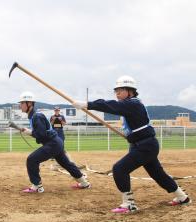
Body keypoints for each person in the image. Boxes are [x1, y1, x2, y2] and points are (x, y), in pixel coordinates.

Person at [72, 75, 191, 213]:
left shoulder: (132, 104)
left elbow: (110, 105)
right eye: (116, 90)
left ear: (130, 91)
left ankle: (129, 204)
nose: (117, 93)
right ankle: (182, 197)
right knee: (158, 174)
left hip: (145, 146)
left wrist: (88, 104)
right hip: (142, 145)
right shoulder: (129, 105)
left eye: (120, 90)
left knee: (119, 169)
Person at [19, 91, 90, 193]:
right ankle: (84, 183)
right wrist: (30, 132)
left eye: (22, 103)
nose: (20, 106)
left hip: (52, 144)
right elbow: (41, 133)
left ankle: (37, 186)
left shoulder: (36, 116)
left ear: (29, 103)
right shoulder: (34, 116)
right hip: (56, 142)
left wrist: (29, 132)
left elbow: (41, 134)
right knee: (66, 164)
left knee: (32, 159)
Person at [49, 106, 67, 171]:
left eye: (58, 110)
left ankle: (62, 155)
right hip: (54, 131)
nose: (57, 111)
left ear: (59, 111)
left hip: (60, 130)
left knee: (62, 142)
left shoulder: (62, 117)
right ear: (54, 111)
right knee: (53, 143)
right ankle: (52, 156)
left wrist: (61, 120)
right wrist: (53, 119)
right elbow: (50, 124)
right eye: (56, 110)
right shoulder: (52, 117)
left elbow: (64, 124)